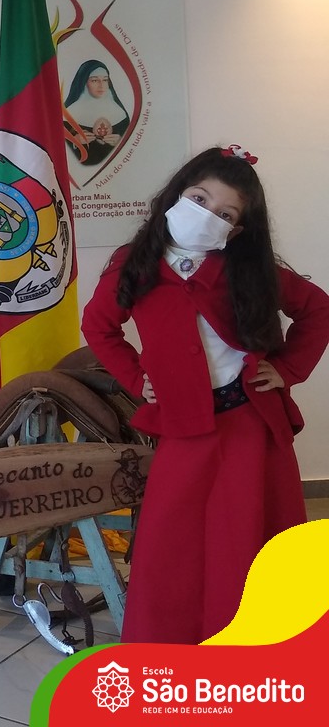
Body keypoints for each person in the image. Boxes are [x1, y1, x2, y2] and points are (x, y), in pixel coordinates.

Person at [82, 145, 329, 644]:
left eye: (225, 214)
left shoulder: (248, 268)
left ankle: (249, 643)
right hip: (184, 424)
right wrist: (136, 378)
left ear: (235, 231)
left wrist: (286, 369)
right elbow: (99, 327)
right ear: (177, 195)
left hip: (249, 422)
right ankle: (171, 647)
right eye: (199, 199)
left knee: (247, 538)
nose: (208, 216)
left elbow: (319, 310)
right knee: (172, 540)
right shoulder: (134, 265)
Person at [62, 60, 128, 165]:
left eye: (105, 80)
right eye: (94, 80)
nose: (101, 85)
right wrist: (74, 141)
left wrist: (120, 142)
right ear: (84, 82)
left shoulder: (120, 113)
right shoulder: (69, 115)